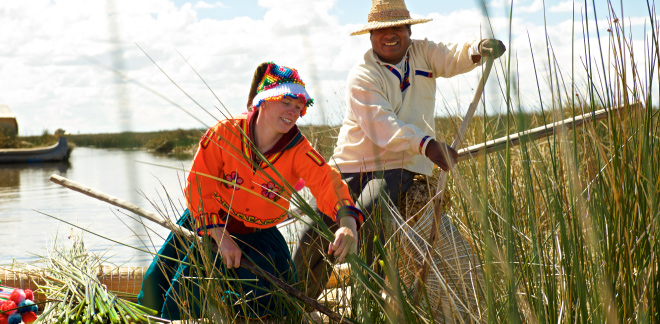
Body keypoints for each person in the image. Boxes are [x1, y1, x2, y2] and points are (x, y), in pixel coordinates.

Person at [293, 0, 506, 298]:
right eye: (382, 30)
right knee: (311, 233)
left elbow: (452, 54)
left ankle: (370, 298)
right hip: (348, 166)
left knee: (371, 212)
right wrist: (427, 144)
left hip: (396, 167)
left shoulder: (423, 53)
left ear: (408, 30)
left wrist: (478, 48)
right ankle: (297, 304)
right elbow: (382, 125)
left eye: (397, 28)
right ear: (370, 36)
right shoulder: (363, 75)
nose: (390, 35)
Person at [137, 62, 363, 321]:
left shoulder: (298, 150)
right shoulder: (225, 133)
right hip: (209, 225)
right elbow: (200, 184)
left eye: (299, 108)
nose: (293, 112)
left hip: (259, 237)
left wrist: (347, 223)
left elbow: (327, 182)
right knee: (171, 291)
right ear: (264, 101)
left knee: (274, 306)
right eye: (286, 102)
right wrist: (220, 236)